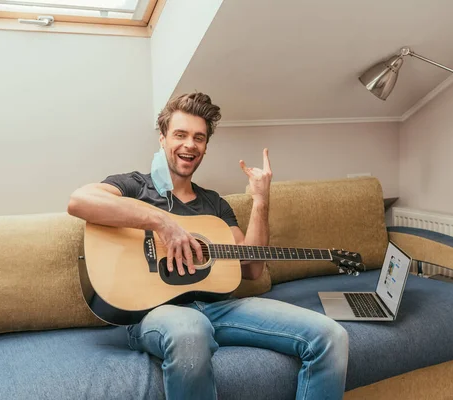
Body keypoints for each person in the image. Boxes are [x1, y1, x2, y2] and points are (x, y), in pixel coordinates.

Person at [67, 92, 349, 400]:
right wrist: (162, 224)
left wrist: (261, 200)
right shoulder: (135, 186)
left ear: (204, 148)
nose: (190, 144)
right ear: (163, 139)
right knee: (190, 329)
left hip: (220, 309)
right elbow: (80, 201)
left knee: (331, 336)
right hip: (156, 313)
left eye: (199, 138)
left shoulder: (215, 204)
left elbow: (252, 268)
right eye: (180, 134)